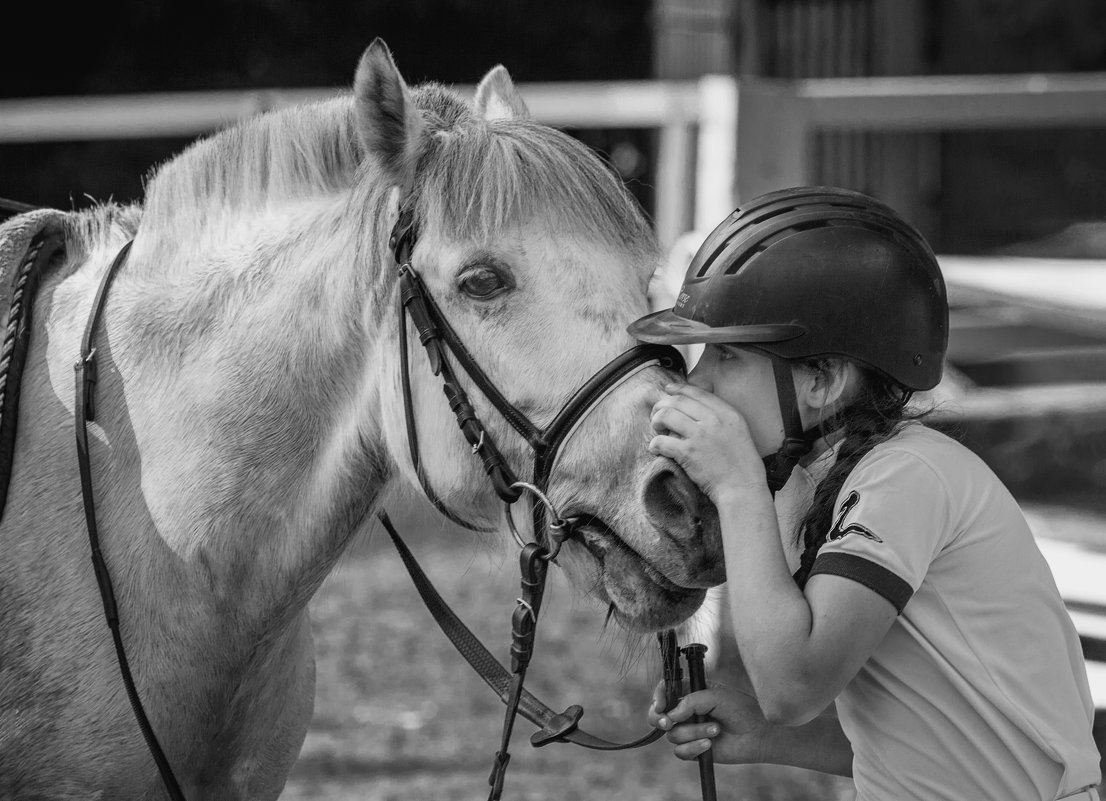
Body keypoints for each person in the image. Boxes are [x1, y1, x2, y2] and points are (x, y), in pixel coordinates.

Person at [630, 186, 1102, 801]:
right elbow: (933, 746)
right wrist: (770, 741)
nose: (700, 384)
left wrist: (738, 484)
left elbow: (791, 687)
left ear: (823, 379)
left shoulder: (906, 477)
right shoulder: (832, 480)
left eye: (725, 356)